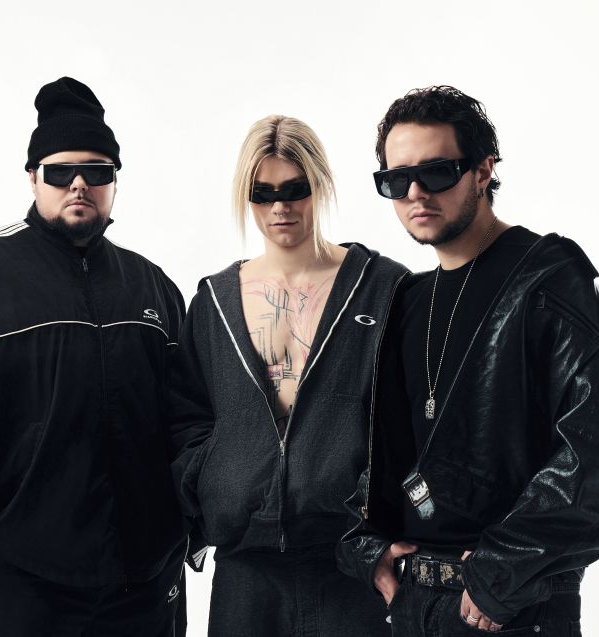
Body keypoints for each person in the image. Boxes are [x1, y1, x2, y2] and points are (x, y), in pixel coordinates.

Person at [337, 86, 599, 635]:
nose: (415, 193)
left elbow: (598, 453)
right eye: (396, 180)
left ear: (484, 170)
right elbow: (378, 449)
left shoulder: (549, 281)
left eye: (437, 172)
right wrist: (368, 550)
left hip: (507, 609)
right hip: (412, 604)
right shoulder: (407, 299)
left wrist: (503, 572)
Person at [0, 77, 187, 636]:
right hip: (15, 584)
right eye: (60, 171)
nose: (79, 184)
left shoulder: (153, 286)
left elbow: (187, 422)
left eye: (97, 171)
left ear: (115, 182)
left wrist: (186, 536)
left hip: (144, 583)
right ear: (33, 177)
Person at [168, 115, 409, 636]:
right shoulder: (213, 301)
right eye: (263, 193)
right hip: (245, 567)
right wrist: (217, 484)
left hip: (352, 561)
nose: (280, 207)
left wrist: (380, 521)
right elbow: (185, 417)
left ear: (319, 185)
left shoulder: (383, 288)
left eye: (295, 189)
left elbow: (413, 422)